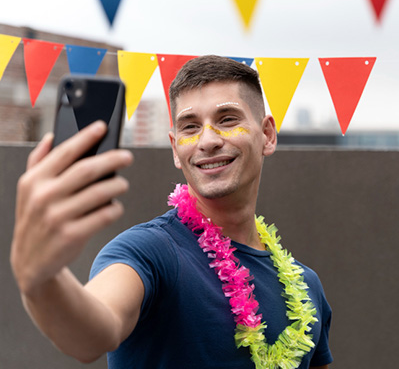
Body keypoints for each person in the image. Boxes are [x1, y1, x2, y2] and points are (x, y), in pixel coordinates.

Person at [11, 55, 333, 368]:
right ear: (175, 149)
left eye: (227, 119)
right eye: (190, 127)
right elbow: (92, 334)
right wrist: (40, 280)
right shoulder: (147, 252)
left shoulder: (307, 288)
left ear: (267, 135)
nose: (207, 140)